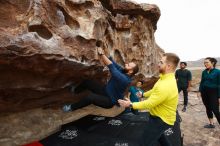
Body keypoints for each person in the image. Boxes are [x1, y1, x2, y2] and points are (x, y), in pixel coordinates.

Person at [118, 53, 180, 146]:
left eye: (161, 62)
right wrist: (143, 94)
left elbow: (150, 103)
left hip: (161, 120)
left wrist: (130, 104)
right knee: (160, 137)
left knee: (144, 142)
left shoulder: (166, 85)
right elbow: (154, 90)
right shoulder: (164, 78)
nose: (158, 64)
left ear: (168, 66)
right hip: (160, 116)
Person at [62, 47, 139, 112]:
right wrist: (103, 50)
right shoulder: (123, 71)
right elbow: (113, 63)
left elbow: (112, 67)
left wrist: (102, 54)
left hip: (109, 100)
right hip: (105, 90)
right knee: (88, 82)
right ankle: (75, 91)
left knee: (90, 97)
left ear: (131, 71)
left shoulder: (124, 79)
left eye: (128, 65)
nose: (126, 64)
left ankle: (71, 108)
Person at [198, 57, 220, 128]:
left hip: (213, 92)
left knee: (215, 110)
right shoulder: (204, 72)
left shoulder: (218, 72)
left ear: (212, 63)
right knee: (208, 108)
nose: (205, 64)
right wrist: (200, 91)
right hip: (204, 92)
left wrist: (219, 96)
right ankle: (211, 124)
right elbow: (202, 82)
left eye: (207, 62)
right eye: (204, 63)